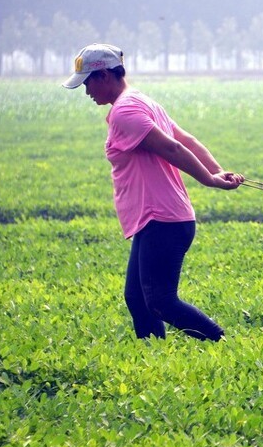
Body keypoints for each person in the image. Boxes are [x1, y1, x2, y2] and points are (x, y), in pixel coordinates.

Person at [62, 43, 243, 341]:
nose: (86, 92)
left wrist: (210, 179)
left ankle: (226, 344)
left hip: (162, 218)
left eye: (87, 83)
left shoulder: (126, 112)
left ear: (105, 76)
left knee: (160, 300)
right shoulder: (140, 101)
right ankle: (152, 358)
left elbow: (174, 146)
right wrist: (215, 169)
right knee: (137, 298)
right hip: (155, 219)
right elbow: (186, 139)